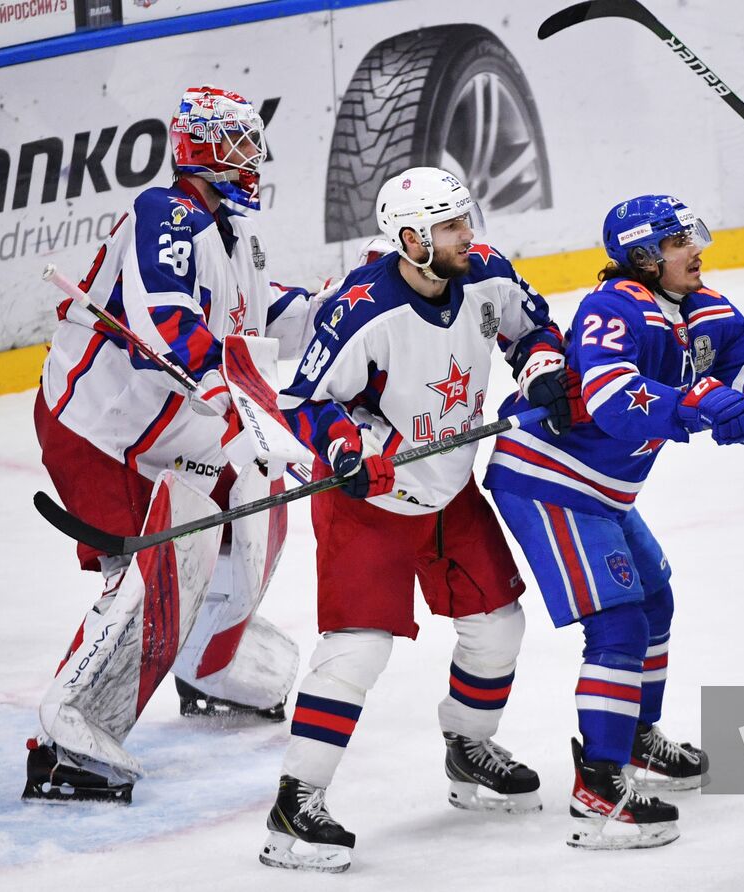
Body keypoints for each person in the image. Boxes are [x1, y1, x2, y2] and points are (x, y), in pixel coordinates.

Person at [482, 194, 744, 851]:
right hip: (549, 481)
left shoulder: (705, 308)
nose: (698, 250)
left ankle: (634, 736)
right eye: (682, 241)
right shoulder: (613, 308)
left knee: (654, 601)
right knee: (619, 621)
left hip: (603, 489)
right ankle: (599, 790)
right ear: (644, 256)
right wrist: (695, 403)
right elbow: (608, 395)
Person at [261, 166, 574, 873]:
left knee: (499, 625)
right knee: (359, 650)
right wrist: (347, 447)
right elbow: (306, 403)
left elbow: (533, 331)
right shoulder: (362, 310)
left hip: (448, 488)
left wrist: (542, 371)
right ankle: (294, 804)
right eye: (452, 227)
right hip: (368, 502)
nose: (471, 235)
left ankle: (468, 749)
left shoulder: (486, 273)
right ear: (410, 239)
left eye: (467, 220)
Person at [26, 85, 315, 805]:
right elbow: (165, 317)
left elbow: (265, 311)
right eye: (242, 143)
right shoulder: (166, 212)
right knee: (153, 566)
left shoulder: (233, 231)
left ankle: (210, 659)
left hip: (171, 420)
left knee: (258, 489)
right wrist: (223, 393)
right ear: (204, 149)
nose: (255, 157)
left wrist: (352, 304)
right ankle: (69, 734)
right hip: (104, 428)